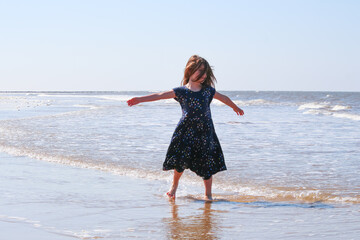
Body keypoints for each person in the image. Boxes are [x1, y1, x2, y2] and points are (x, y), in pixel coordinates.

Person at [127, 55, 244, 201]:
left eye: (205, 71)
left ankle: (208, 194)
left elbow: (224, 98)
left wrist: (235, 107)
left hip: (205, 132)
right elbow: (161, 95)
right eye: (200, 70)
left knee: (206, 164)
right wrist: (139, 99)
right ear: (190, 71)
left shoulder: (208, 91)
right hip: (185, 131)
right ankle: (174, 187)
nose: (204, 74)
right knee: (180, 162)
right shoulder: (182, 91)